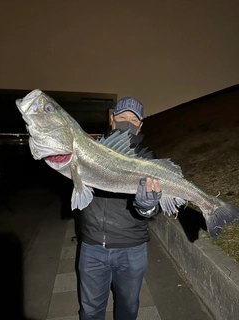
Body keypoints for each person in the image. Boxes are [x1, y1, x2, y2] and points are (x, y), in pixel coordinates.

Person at [77, 96, 162, 320]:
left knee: (128, 307)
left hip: (131, 248)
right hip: (93, 246)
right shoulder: (91, 149)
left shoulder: (146, 157)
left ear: (140, 125)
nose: (127, 122)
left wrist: (147, 207)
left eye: (133, 120)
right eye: (122, 117)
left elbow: (155, 208)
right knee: (90, 309)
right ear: (112, 119)